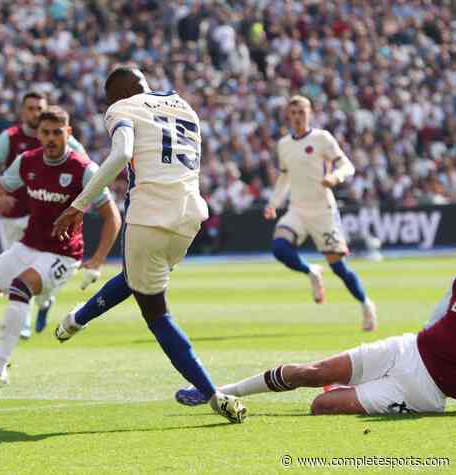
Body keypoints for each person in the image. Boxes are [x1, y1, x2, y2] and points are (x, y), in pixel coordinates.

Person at [52, 67, 247, 424]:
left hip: (148, 217)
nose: (108, 106)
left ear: (120, 92)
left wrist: (77, 206)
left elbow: (121, 154)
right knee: (137, 279)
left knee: (156, 314)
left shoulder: (123, 107)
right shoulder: (185, 107)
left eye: (109, 99)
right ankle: (76, 319)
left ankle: (211, 393)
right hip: (189, 220)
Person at [0, 107, 121, 385]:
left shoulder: (85, 170)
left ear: (68, 133)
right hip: (27, 246)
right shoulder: (27, 161)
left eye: (58, 132)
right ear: (39, 135)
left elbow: (112, 216)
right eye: (46, 133)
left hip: (63, 255)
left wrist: (98, 260)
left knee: (20, 288)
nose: (52, 138)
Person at [176, 277, 456, 415]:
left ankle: (350, 388)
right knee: (311, 372)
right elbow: (440, 312)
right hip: (407, 350)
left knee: (321, 405)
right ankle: (218, 392)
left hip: (422, 394)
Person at [0, 91, 91, 336]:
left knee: (40, 279)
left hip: (49, 220)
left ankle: (44, 303)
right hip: (16, 216)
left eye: (39, 108)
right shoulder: (9, 138)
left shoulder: (60, 137)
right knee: (17, 272)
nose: (35, 113)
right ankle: (24, 322)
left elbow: (87, 168)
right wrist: (0, 196)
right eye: (30, 108)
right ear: (23, 111)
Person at [264, 95, 377, 331]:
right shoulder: (284, 144)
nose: (297, 117)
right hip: (297, 209)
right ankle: (311, 271)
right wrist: (274, 202)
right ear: (288, 115)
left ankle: (366, 304)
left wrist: (335, 177)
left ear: (310, 113)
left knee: (338, 267)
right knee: (279, 248)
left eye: (301, 112)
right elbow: (285, 176)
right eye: (293, 113)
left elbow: (347, 165)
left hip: (323, 212)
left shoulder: (322, 138)